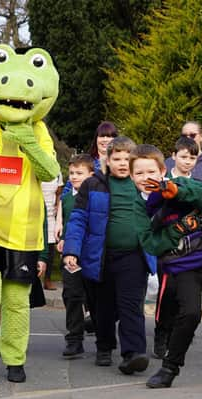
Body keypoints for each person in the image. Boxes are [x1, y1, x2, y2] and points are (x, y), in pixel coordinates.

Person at [131, 144, 202, 388]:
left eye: (150, 172)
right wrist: (179, 229)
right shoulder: (138, 206)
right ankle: (169, 369)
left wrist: (177, 191)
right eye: (138, 173)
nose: (145, 178)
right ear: (131, 176)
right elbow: (151, 243)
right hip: (181, 265)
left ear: (163, 170)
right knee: (190, 313)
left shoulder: (180, 184)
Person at [63, 136, 154, 374]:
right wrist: (72, 250)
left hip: (134, 256)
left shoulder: (143, 184)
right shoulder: (93, 185)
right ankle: (104, 346)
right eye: (117, 159)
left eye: (127, 159)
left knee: (131, 306)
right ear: (107, 160)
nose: (123, 163)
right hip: (100, 256)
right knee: (102, 307)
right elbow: (78, 219)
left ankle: (133, 353)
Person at [152, 136, 199, 359]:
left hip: (190, 248)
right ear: (173, 156)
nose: (188, 161)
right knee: (167, 293)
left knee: (184, 296)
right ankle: (160, 334)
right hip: (166, 246)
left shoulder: (197, 185)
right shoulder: (162, 182)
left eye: (192, 157)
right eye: (183, 157)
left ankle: (174, 339)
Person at [57, 154, 95, 358]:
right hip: (71, 254)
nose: (74, 177)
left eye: (79, 173)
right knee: (72, 295)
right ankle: (74, 339)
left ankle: (103, 337)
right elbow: (65, 223)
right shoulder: (66, 197)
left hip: (91, 253)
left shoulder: (96, 195)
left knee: (94, 295)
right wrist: (62, 238)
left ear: (91, 174)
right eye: (71, 173)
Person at [60, 121, 118, 197]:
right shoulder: (84, 161)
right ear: (96, 139)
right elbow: (67, 192)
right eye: (101, 136)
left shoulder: (121, 164)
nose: (105, 139)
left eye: (109, 136)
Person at [40, 171, 63, 290]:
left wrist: (57, 207)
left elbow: (59, 192)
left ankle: (47, 279)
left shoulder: (57, 173)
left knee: (49, 249)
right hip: (35, 213)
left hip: (50, 215)